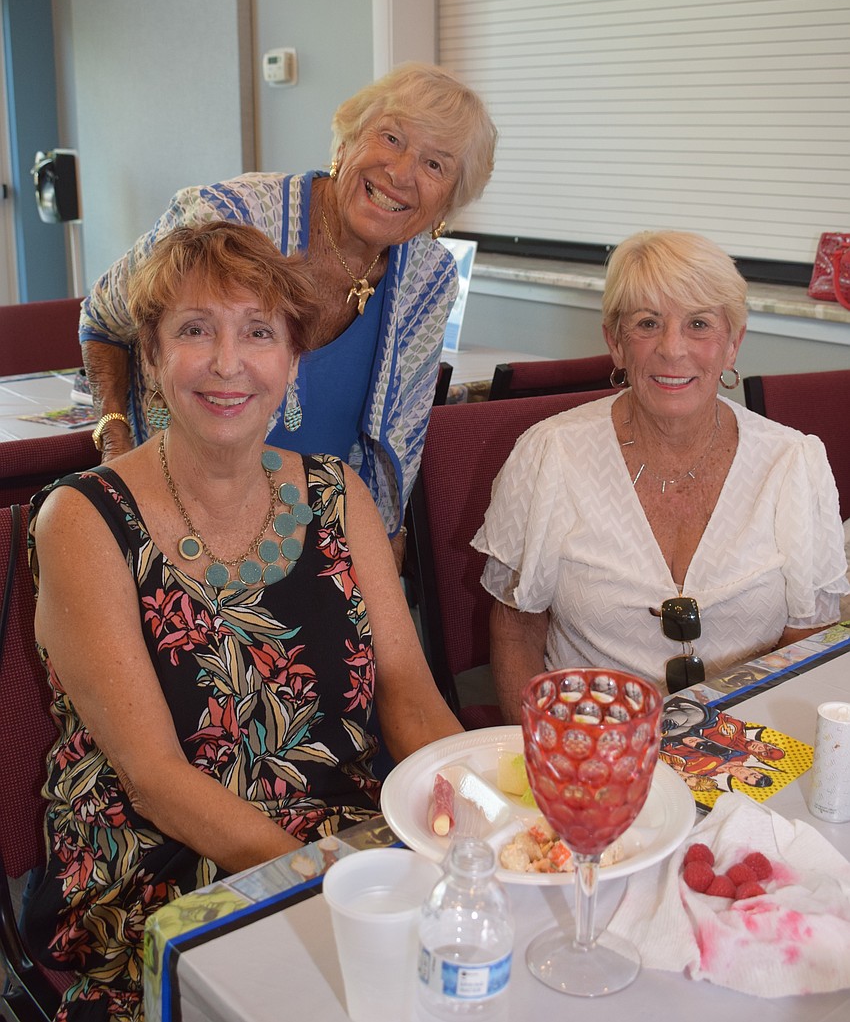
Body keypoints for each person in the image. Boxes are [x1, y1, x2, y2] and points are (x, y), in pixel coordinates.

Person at [26, 222, 462, 1022]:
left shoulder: (339, 493)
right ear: (152, 359)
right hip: (159, 867)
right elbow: (156, 780)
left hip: (344, 831)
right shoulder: (83, 520)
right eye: (195, 330)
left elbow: (408, 688)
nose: (228, 362)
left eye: (258, 331)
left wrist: (469, 825)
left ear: (291, 359)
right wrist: (329, 881)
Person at [80, 62, 498, 564]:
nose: (402, 173)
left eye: (436, 165)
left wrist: (382, 552)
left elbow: (401, 443)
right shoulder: (229, 217)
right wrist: (114, 437)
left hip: (318, 543)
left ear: (447, 202)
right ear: (345, 143)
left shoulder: (428, 279)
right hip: (178, 520)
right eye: (391, 138)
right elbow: (102, 319)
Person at [473, 230, 849, 720]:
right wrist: (543, 755)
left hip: (744, 743)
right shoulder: (550, 454)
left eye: (698, 324)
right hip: (589, 742)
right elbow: (516, 624)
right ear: (616, 342)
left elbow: (807, 639)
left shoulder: (794, 462)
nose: (673, 349)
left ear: (732, 343)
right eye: (648, 323)